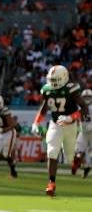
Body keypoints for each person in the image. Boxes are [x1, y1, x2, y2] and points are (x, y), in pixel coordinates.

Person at [31, 65, 88, 196]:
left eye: (56, 80)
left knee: (69, 157)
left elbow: (84, 108)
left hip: (70, 125)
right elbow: (44, 108)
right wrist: (36, 122)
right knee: (52, 151)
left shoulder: (71, 89)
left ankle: (75, 162)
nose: (53, 83)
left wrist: (71, 117)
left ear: (64, 78)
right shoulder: (47, 90)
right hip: (55, 124)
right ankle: (51, 183)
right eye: (51, 80)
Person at [0, 95, 18, 177]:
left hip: (9, 133)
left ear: (2, 103)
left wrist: (2, 130)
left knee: (6, 155)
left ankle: (13, 171)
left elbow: (12, 125)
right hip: (1, 133)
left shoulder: (5, 111)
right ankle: (12, 162)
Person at [72, 89, 92, 178]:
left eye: (89, 97)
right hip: (83, 133)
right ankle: (78, 165)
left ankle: (86, 167)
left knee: (89, 153)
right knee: (78, 152)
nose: (87, 99)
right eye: (85, 97)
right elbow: (76, 119)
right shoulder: (79, 107)